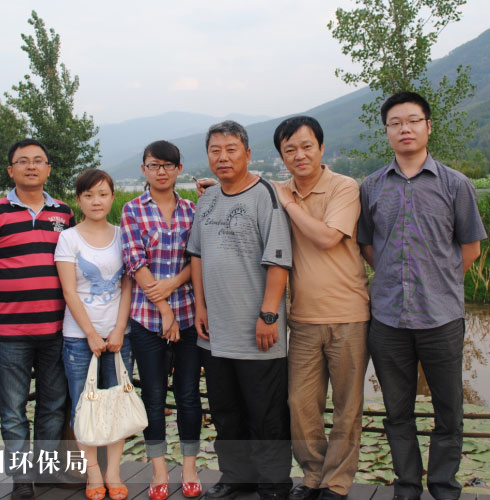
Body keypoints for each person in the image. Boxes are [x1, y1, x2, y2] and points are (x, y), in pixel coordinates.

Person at [358, 91, 487, 500]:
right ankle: (407, 487)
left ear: (428, 126)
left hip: (441, 318)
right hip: (388, 321)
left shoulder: (455, 184)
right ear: (387, 132)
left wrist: (438, 280)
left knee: (449, 411)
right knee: (397, 412)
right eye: (395, 123)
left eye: (413, 120)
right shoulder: (372, 187)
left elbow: (470, 247)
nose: (405, 129)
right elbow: (368, 246)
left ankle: (444, 487)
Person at [0, 139, 80, 500]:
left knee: (53, 403)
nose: (31, 166)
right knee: (13, 408)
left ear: (48, 168)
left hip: (57, 328)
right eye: (23, 161)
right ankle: (20, 479)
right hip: (10, 331)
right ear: (10, 170)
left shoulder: (63, 213)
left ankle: (45, 471)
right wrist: (8, 291)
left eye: (38, 161)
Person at [188, 120, 292, 500]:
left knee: (266, 411)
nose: (223, 157)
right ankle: (236, 477)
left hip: (257, 330)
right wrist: (200, 306)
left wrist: (268, 315)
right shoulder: (207, 200)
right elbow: (197, 255)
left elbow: (278, 261)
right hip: (215, 331)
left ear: (247, 153)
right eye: (215, 150)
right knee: (225, 410)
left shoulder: (265, 195)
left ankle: (273, 483)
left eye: (231, 149)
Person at [271, 116, 370, 500]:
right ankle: (313, 475)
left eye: (306, 146)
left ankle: (337, 483)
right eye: (290, 150)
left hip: (349, 314)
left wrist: (289, 203)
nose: (299, 155)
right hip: (303, 318)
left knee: (347, 406)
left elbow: (328, 237)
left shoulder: (344, 187)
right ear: (282, 156)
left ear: (321, 147)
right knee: (300, 403)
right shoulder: (279, 190)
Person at [120, 140, 202, 500]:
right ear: (144, 170)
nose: (161, 171)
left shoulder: (192, 210)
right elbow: (135, 261)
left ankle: (189, 468)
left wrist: (173, 284)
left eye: (168, 165)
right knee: (153, 396)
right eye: (154, 165)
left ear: (179, 169)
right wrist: (165, 309)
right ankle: (158, 470)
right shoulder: (132, 210)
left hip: (188, 317)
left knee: (188, 395)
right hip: (147, 319)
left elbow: (196, 259)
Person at [54, 168, 133, 500]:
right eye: (88, 195)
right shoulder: (68, 238)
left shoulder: (123, 235)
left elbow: (128, 286)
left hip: (118, 336)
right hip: (78, 337)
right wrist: (89, 334)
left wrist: (119, 329)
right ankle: (94, 472)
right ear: (79, 200)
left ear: (112, 197)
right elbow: (69, 292)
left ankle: (113, 471)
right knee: (82, 406)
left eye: (102, 194)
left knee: (116, 404)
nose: (96, 201)